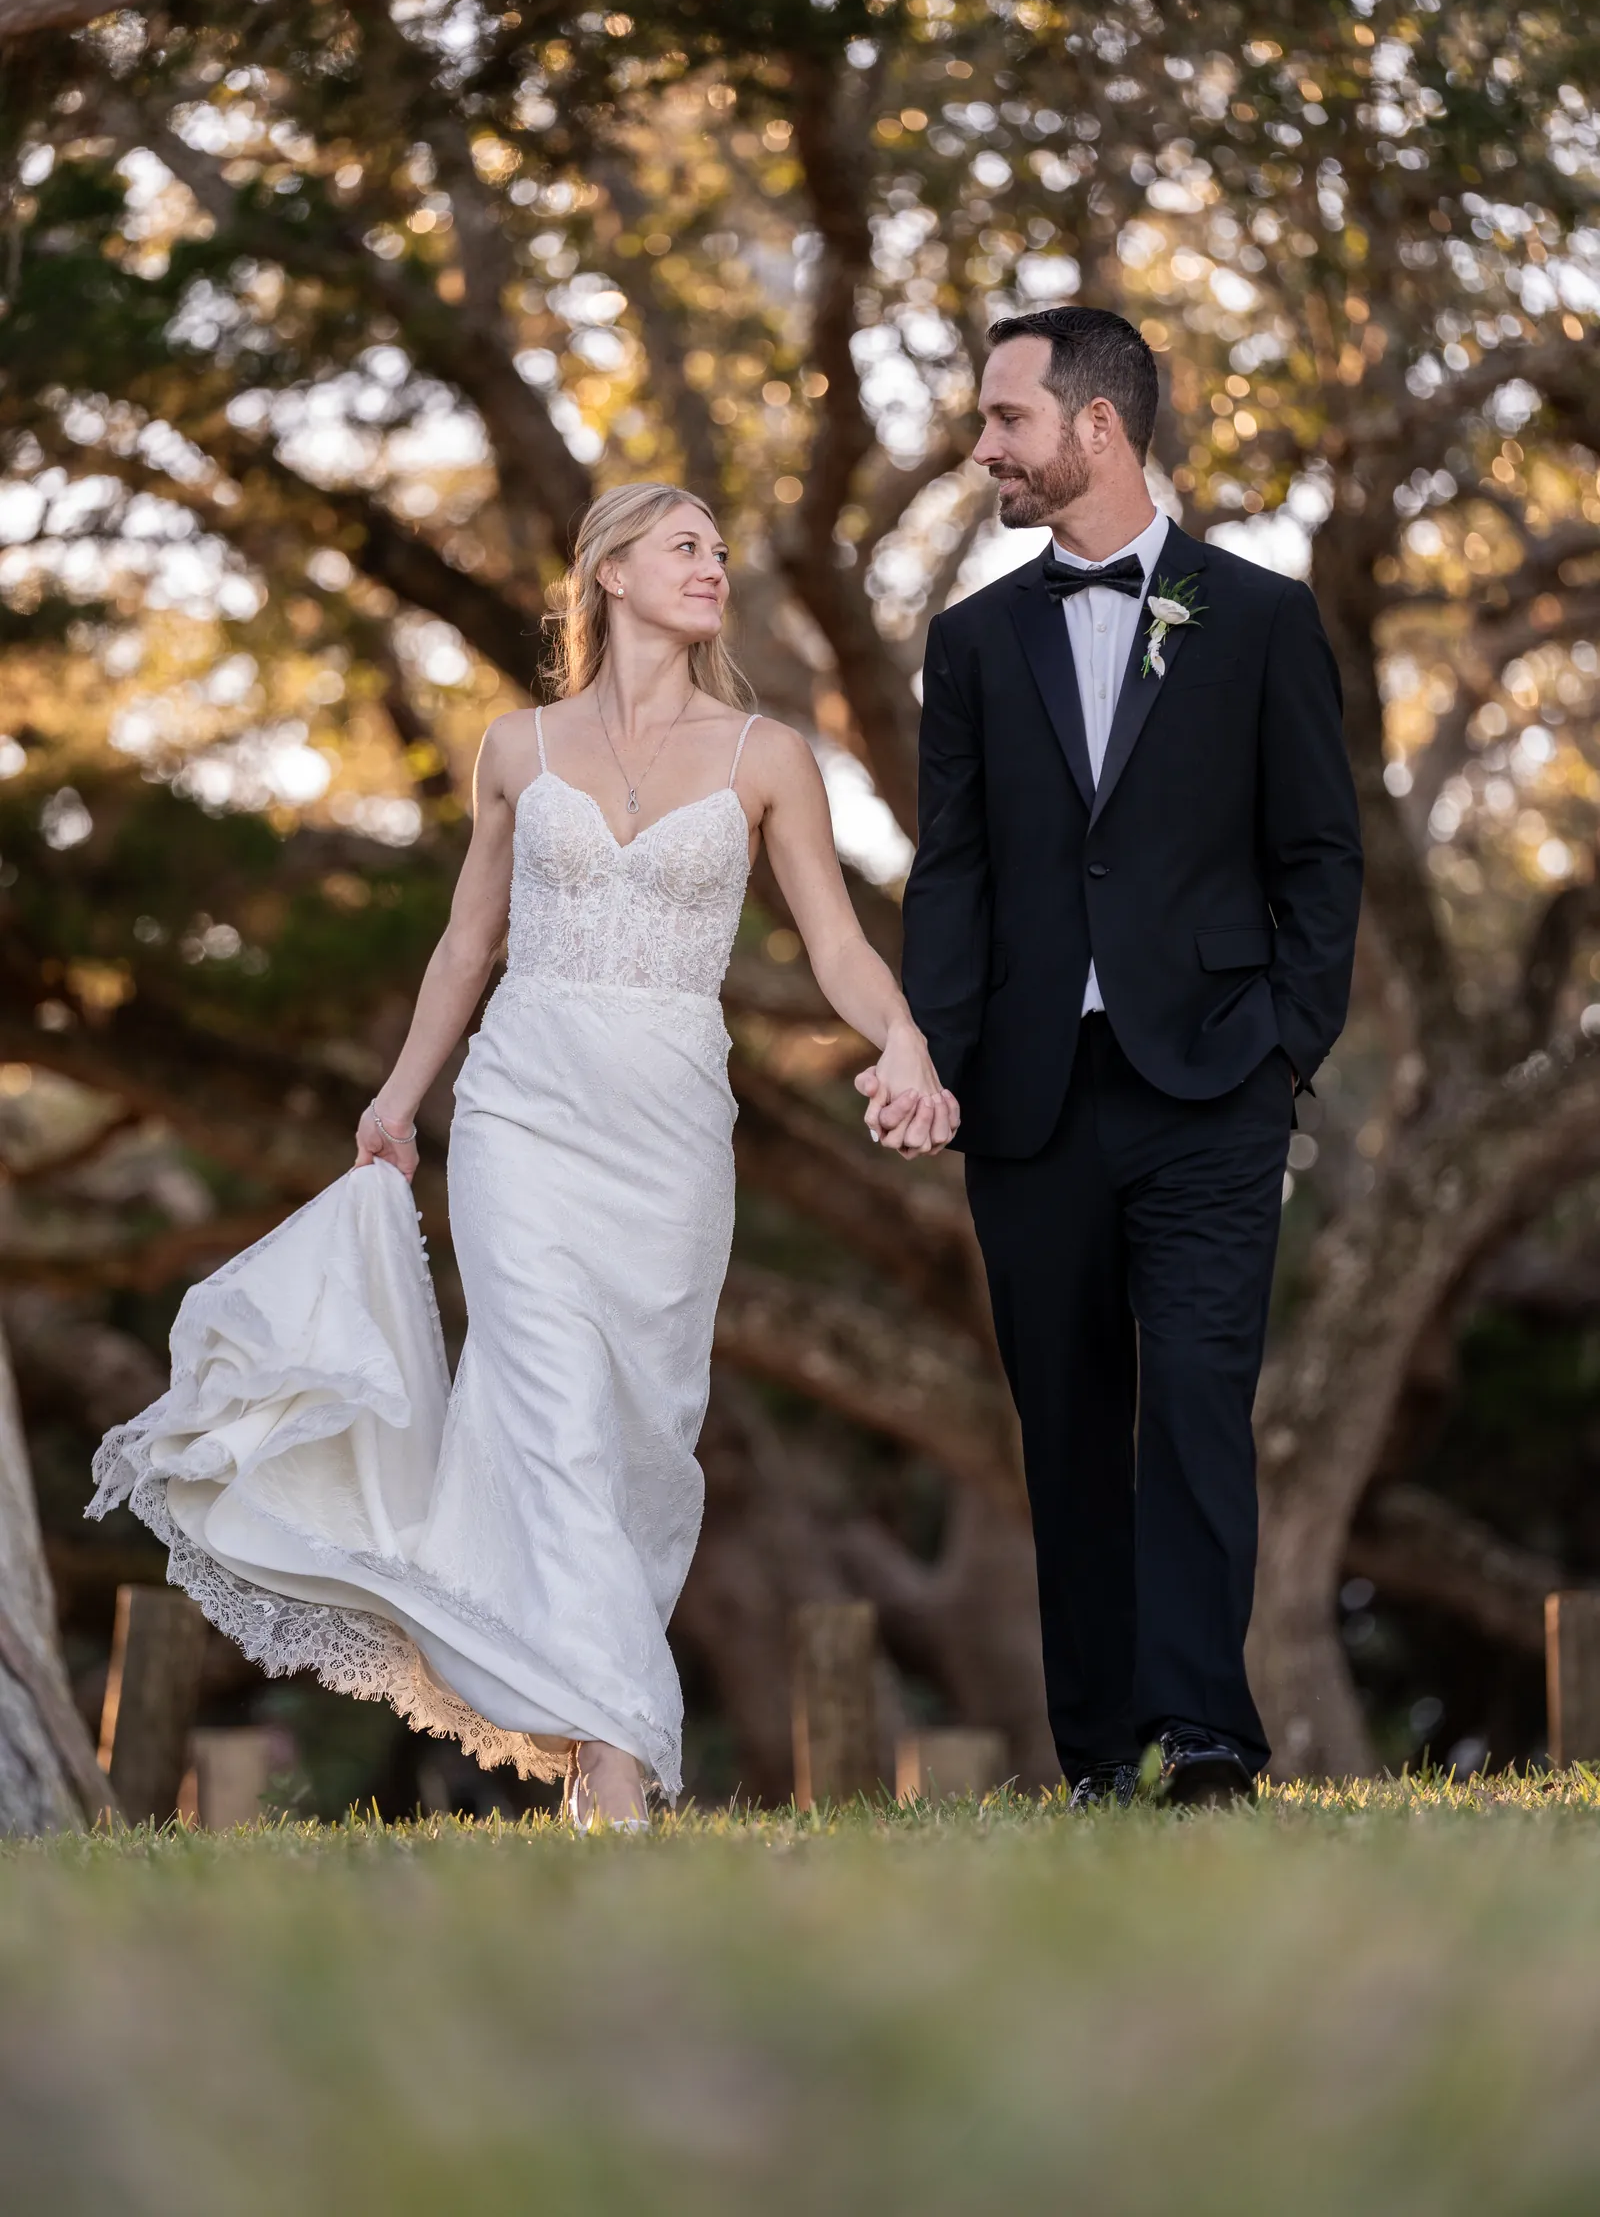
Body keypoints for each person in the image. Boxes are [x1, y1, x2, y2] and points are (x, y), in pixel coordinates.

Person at [90, 481, 956, 1827]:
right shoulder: (516, 748)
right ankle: (616, 1754)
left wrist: (897, 1036)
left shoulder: (766, 757)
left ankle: (577, 1703)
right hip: (519, 1113)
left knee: (640, 1434)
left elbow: (836, 943)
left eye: (720, 552)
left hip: (671, 1128)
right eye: (685, 549)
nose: (713, 568)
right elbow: (464, 944)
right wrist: (399, 1098)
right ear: (610, 573)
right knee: (542, 1401)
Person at [900, 307, 1363, 1807]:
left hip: (1214, 1086)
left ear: (1095, 428)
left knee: (1203, 1405)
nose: (984, 450)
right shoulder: (972, 641)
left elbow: (1318, 854)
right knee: (1069, 1423)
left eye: (1005, 422)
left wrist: (1283, 1047)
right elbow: (952, 872)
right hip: (1027, 1100)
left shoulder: (1265, 617)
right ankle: (1099, 1749)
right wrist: (937, 1054)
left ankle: (1211, 1737)